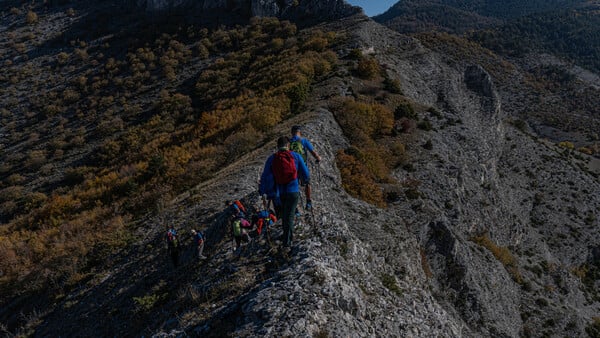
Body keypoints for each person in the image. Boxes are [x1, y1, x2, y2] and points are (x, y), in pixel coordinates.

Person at [259, 136, 310, 251]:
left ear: (277, 146)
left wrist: (262, 191)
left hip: (280, 193)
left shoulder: (272, 158)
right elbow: (306, 174)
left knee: (284, 215)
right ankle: (287, 242)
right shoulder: (295, 156)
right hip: (293, 191)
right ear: (288, 145)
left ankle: (286, 237)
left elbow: (265, 176)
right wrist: (305, 181)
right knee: (290, 216)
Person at [289, 125, 321, 211]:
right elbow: (313, 152)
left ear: (292, 133)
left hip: (292, 168)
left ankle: (295, 207)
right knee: (307, 183)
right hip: (303, 166)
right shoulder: (303, 141)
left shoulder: (289, 142)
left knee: (294, 186)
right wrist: (318, 158)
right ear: (300, 132)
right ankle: (308, 202)